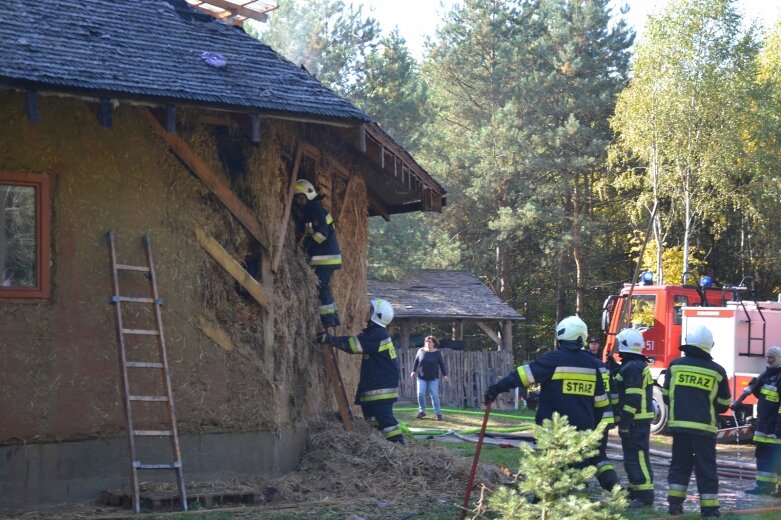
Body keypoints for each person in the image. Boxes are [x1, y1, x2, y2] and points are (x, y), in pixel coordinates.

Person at [484, 316, 614, 488]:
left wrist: (496, 389)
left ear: (561, 336)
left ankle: (544, 502)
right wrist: (595, 428)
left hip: (554, 427)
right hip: (583, 428)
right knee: (578, 471)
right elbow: (600, 402)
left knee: (552, 468)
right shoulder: (592, 364)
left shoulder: (553, 359)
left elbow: (521, 376)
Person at [663, 325, 731, 518]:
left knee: (679, 465)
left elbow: (667, 395)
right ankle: (709, 510)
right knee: (706, 467)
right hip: (704, 429)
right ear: (710, 345)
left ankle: (674, 506)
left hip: (679, 426)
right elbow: (724, 403)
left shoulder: (675, 365)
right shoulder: (717, 371)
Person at [315, 298, 404, 443]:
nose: (367, 312)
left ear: (377, 315)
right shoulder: (375, 333)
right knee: (372, 419)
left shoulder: (378, 334)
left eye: (371, 310)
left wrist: (329, 339)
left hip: (381, 387)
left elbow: (353, 345)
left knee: (385, 419)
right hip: (376, 385)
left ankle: (398, 447)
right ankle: (379, 444)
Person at [730, 345, 781, 495]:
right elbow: (763, 398)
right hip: (764, 426)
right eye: (767, 357)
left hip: (775, 429)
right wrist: (755, 386)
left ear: (778, 358)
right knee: (762, 456)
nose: (768, 360)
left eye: (771, 357)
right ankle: (764, 487)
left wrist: (778, 428)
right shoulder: (766, 375)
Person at [614, 328, 655, 508]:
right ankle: (635, 489)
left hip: (635, 421)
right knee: (631, 456)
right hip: (636, 420)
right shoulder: (633, 365)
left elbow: (632, 397)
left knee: (637, 456)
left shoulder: (633, 367)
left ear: (625, 344)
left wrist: (624, 421)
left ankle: (645, 495)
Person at [293, 179, 341, 329]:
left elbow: (322, 234)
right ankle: (333, 317)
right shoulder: (309, 212)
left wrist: (305, 246)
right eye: (297, 199)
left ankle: (328, 320)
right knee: (324, 287)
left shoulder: (316, 210)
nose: (299, 201)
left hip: (325, 258)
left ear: (309, 195)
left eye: (301, 198)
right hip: (324, 258)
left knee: (321, 287)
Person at [411, 336, 449, 420]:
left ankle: (438, 414)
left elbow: (441, 365)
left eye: (430, 342)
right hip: (421, 377)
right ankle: (422, 412)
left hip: (433, 378)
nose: (428, 343)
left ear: (434, 343)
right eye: (427, 341)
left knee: (434, 395)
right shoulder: (421, 350)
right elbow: (416, 361)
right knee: (420, 393)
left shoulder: (437, 353)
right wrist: (413, 371)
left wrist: (445, 375)